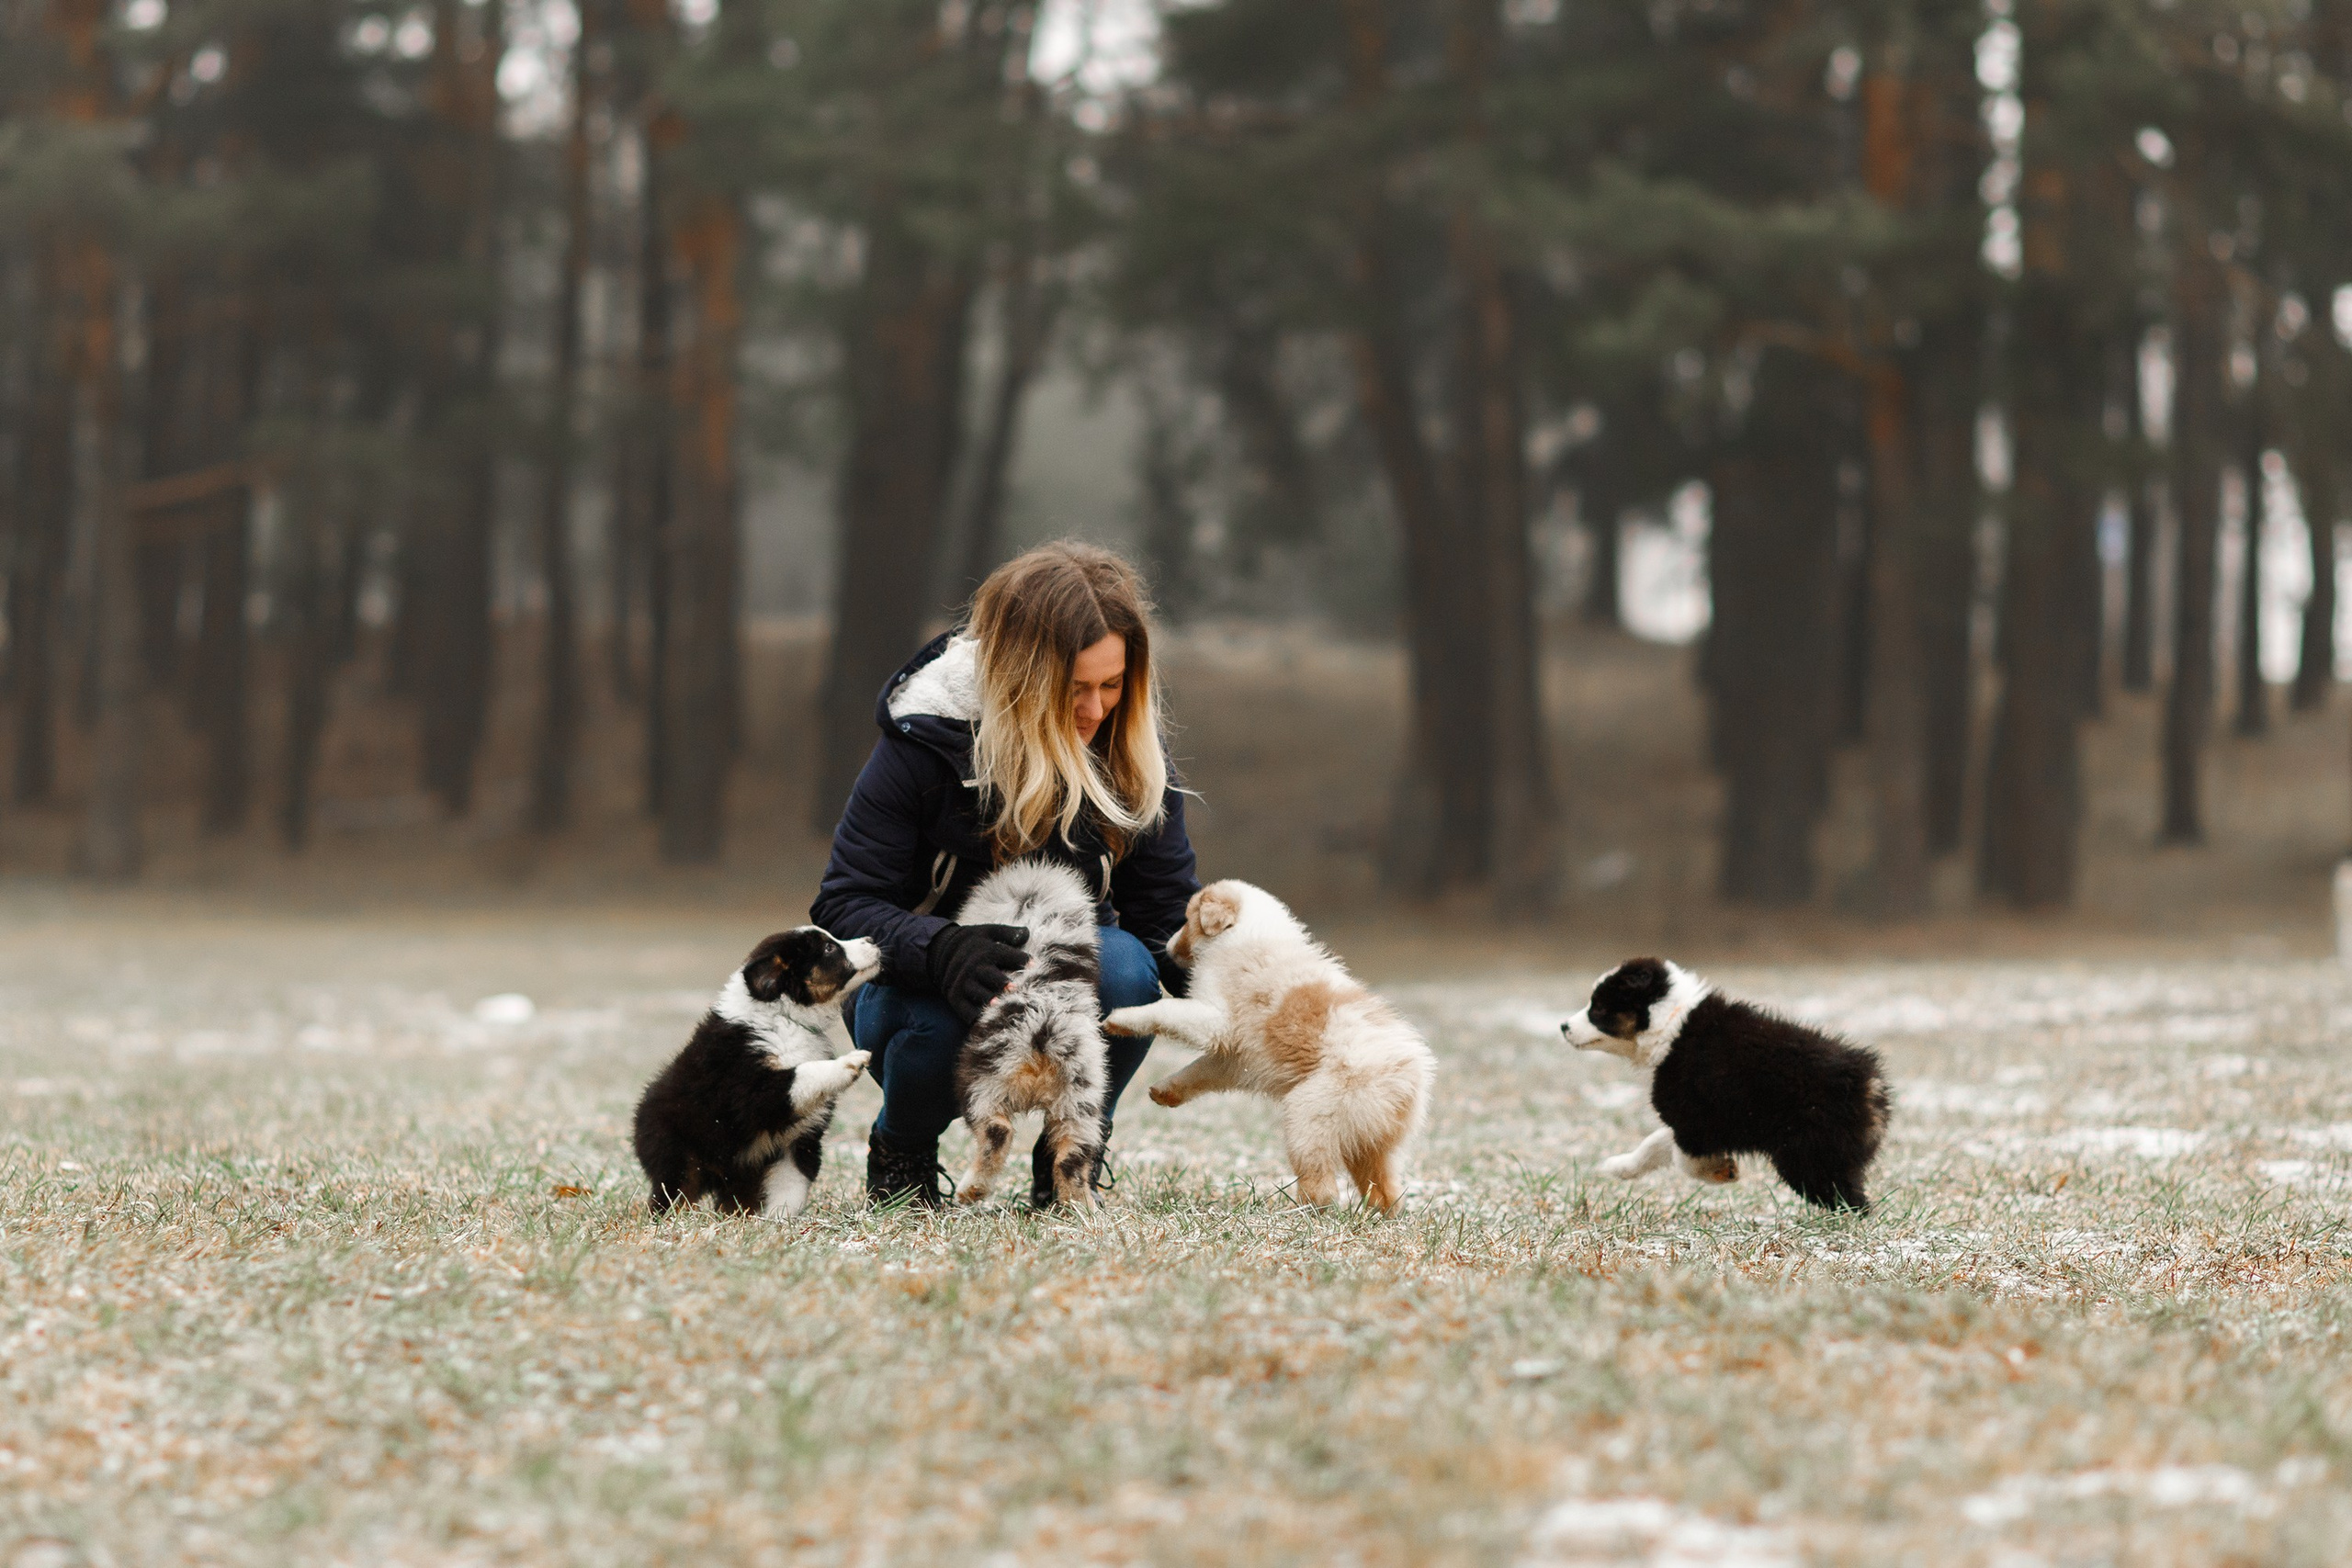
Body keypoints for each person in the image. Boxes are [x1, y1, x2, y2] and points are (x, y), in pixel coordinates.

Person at [811, 541, 1200, 1208]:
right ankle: (901, 1149)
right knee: (936, 1026)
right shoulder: (926, 738)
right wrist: (938, 950)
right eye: (1074, 689)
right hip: (920, 989)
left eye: (1113, 684)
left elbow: (1167, 914)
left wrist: (1259, 1001)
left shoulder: (1123, 741)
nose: (1097, 710)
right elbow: (843, 903)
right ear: (1019, 675)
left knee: (1131, 974)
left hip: (1068, 980)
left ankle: (1069, 1159)